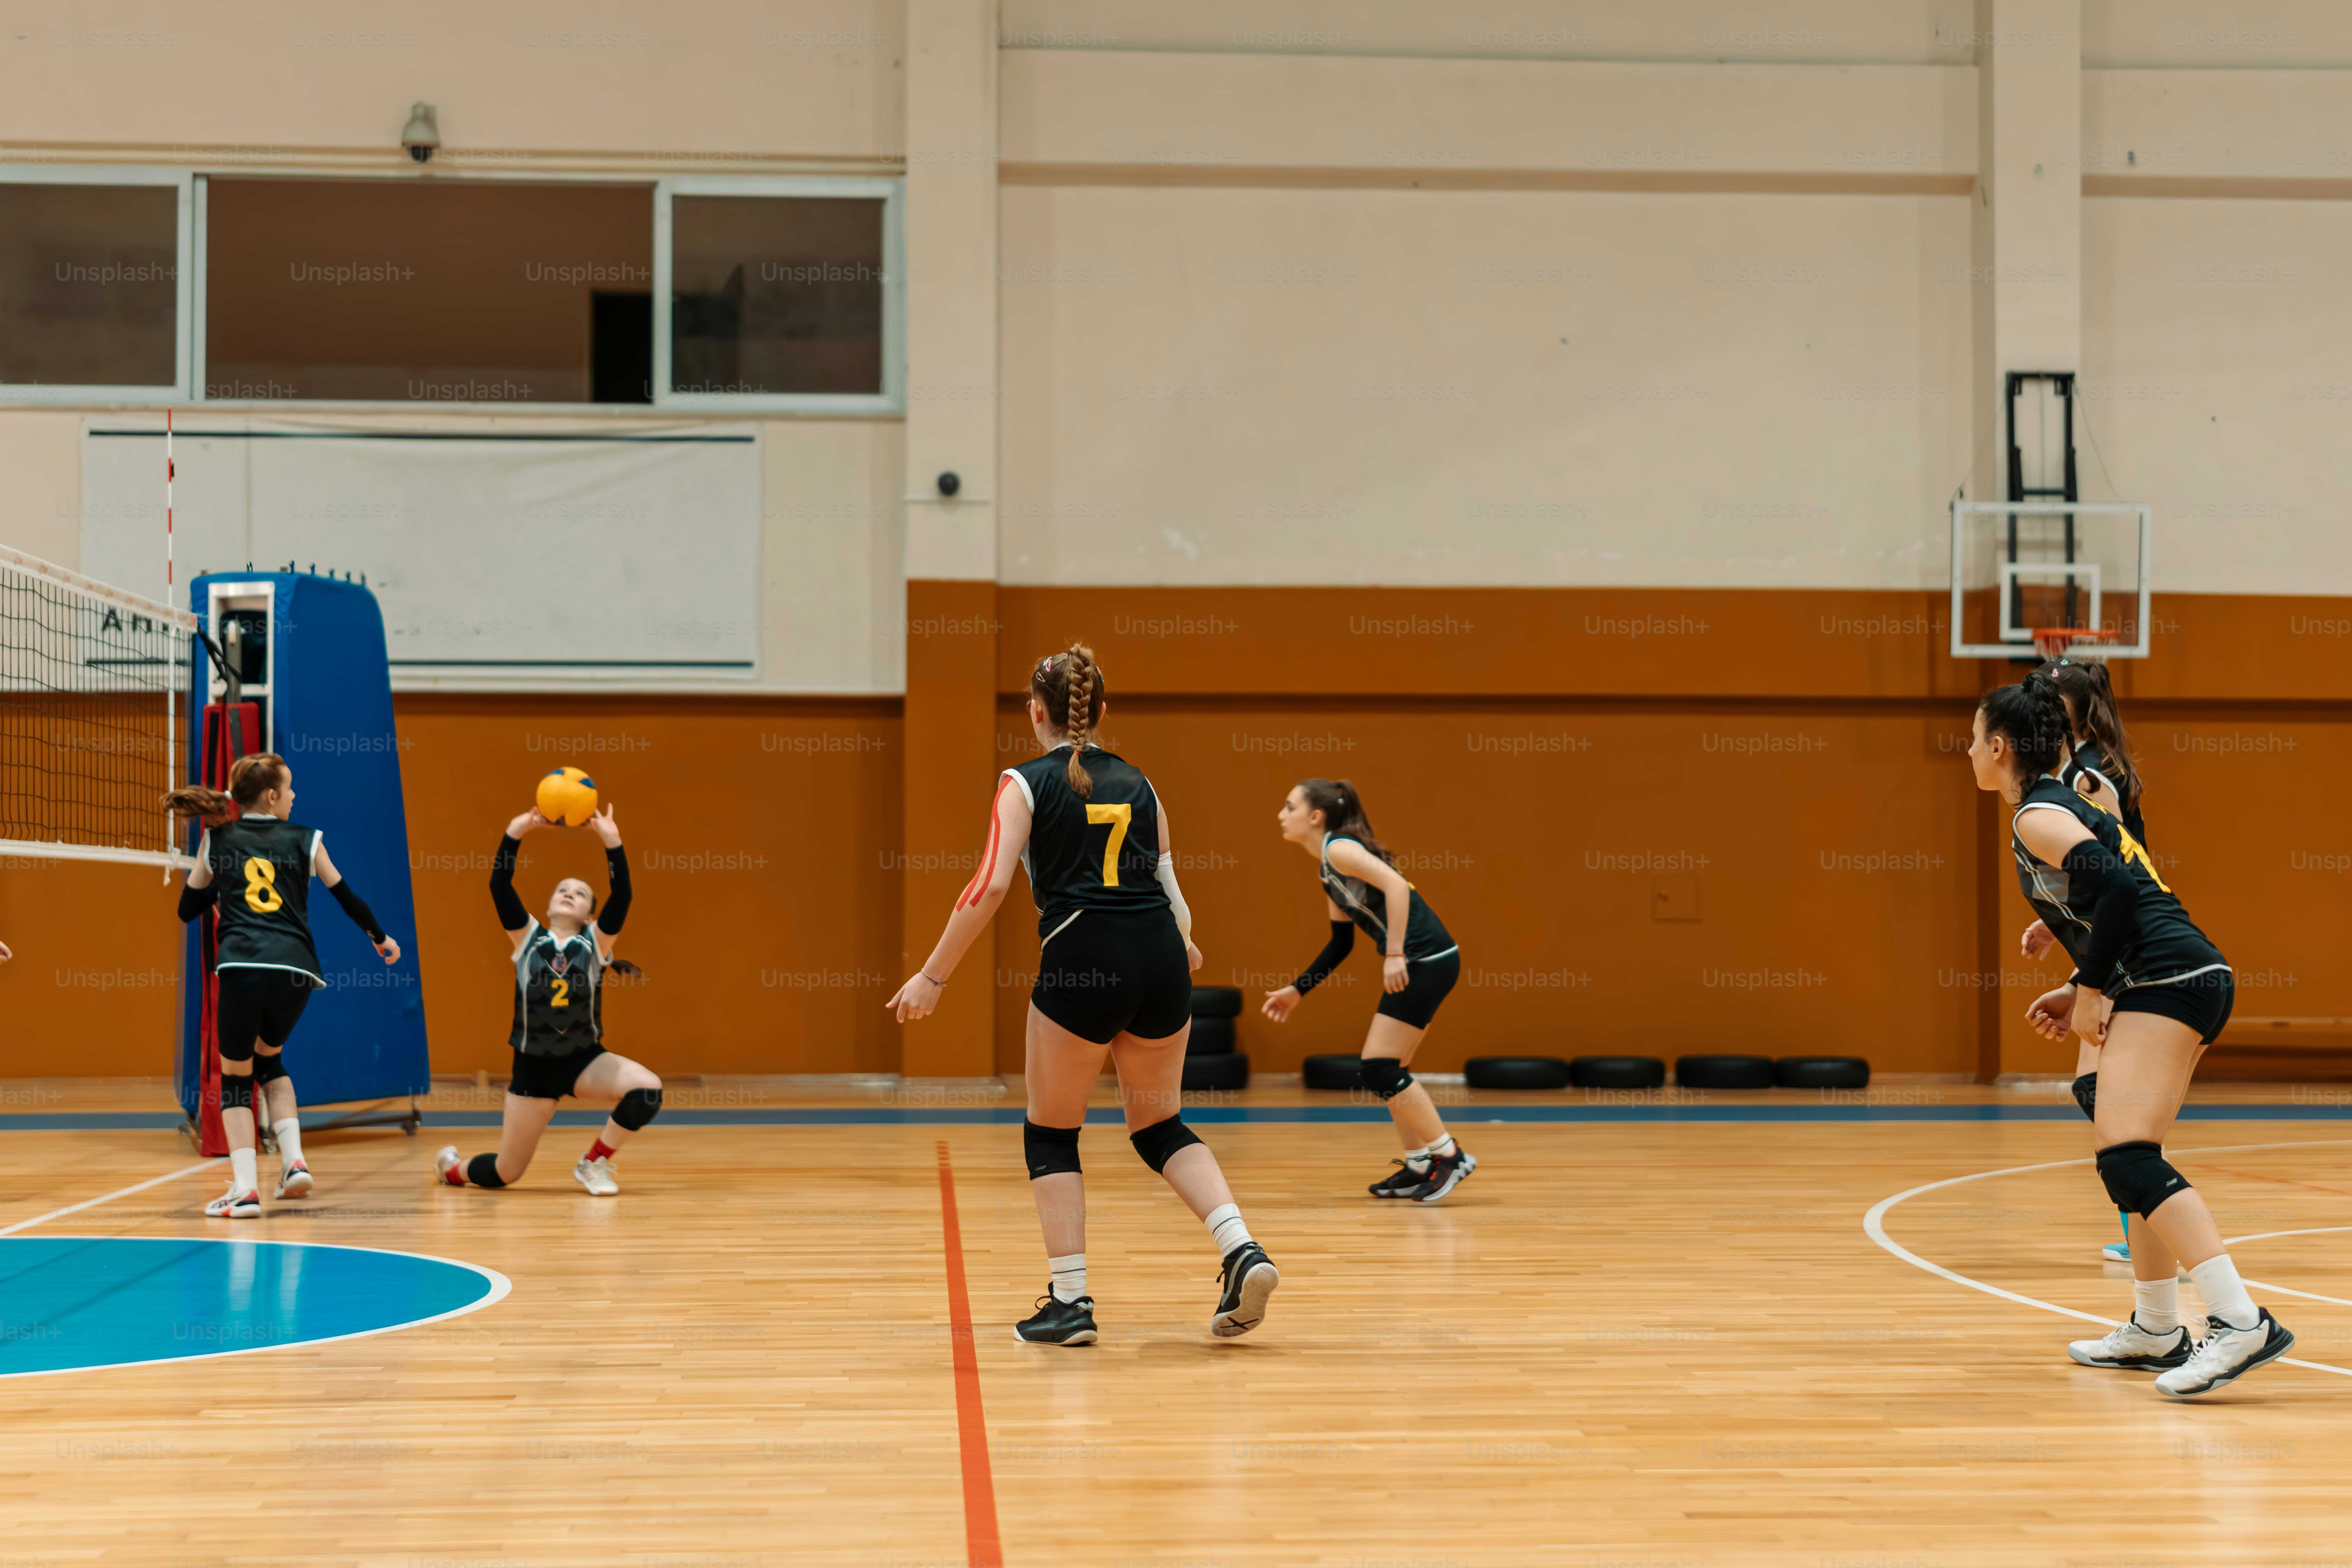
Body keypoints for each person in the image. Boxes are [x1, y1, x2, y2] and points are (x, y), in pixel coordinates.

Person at [886, 643, 1278, 1346]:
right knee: (1158, 1125)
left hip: (1081, 956)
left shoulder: (1023, 781)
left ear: (1035, 712)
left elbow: (989, 888)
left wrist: (933, 974)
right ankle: (1240, 1246)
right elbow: (1169, 889)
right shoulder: (1141, 783)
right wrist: (1181, 946)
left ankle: (1069, 1301)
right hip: (1160, 957)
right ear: (1102, 712)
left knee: (1051, 1131)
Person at [1970, 673, 2293, 1397]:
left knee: (2125, 1155)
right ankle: (2155, 1326)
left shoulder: (2035, 815)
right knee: (2120, 1137)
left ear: (1996, 746)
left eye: (1970, 738)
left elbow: (2117, 887)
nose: (1967, 750)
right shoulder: (2056, 806)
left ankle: (2239, 1321)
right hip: (2173, 971)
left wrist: (2089, 990)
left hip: (2169, 977)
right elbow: (2122, 892)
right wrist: (2079, 976)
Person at [167, 754, 402, 1218]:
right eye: (290, 789)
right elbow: (346, 897)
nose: (295, 796)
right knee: (269, 1060)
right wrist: (381, 937)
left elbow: (187, 910)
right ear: (272, 797)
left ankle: (246, 1190)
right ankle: (294, 1162)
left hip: (243, 965)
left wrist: (224, 884)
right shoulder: (306, 839)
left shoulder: (217, 839)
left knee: (236, 1077)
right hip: (297, 972)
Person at [434, 802, 661, 1197]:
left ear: (590, 914)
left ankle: (594, 1162)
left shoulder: (595, 942)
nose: (569, 894)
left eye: (580, 893)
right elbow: (499, 887)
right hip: (533, 1069)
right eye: (563, 889)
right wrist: (515, 831)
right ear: (551, 903)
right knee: (507, 1172)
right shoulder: (528, 938)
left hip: (583, 1060)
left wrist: (613, 842)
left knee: (648, 1089)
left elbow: (622, 895)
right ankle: (452, 1169)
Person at [1259, 780, 1471, 1201]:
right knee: (1391, 1069)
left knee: (1379, 1066)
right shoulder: (1328, 868)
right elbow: (1341, 943)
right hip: (1428, 960)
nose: (1281, 815)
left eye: (1289, 806)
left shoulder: (1339, 849)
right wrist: (1298, 990)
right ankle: (1417, 1165)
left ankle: (1448, 1156)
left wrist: (1394, 953)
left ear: (1315, 817)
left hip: (1424, 960)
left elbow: (1395, 885)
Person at [2023, 658, 2149, 1263]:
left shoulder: (2084, 774)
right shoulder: (2093, 763)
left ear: (2068, 709)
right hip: (2118, 931)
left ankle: (2148, 1227)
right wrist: (2054, 922)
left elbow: (2122, 872)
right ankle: (2142, 1227)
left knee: (2108, 1097)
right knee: (2098, 1091)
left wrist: (2084, 974)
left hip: (2135, 947)